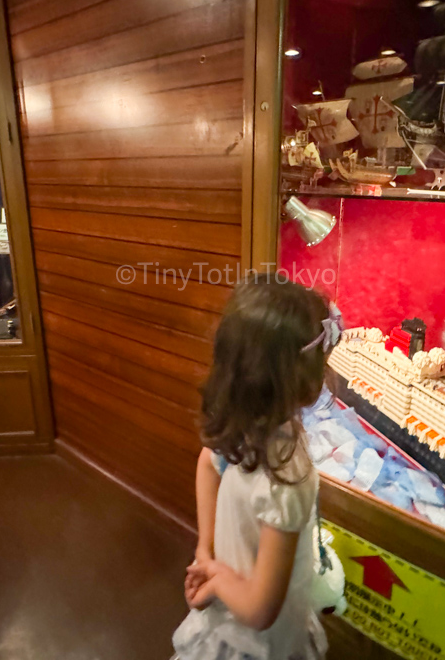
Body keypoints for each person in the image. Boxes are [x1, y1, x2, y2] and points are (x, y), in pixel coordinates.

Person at [172, 273, 336, 660]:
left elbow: (260, 610)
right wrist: (206, 552)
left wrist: (214, 579)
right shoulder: (281, 470)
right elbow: (208, 464)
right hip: (248, 628)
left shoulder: (256, 440)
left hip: (251, 624)